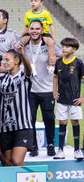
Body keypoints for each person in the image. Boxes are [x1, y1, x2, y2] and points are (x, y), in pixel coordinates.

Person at [0, 47, 33, 166]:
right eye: (3, 59)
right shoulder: (2, 77)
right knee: (7, 162)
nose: (4, 62)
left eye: (7, 60)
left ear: (17, 60)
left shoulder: (24, 76)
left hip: (22, 126)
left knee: (17, 161)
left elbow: (29, 69)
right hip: (4, 128)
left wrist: (23, 54)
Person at [24, 20, 60, 156]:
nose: (34, 31)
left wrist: (56, 59)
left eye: (37, 29)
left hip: (47, 90)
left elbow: (62, 55)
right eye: (32, 28)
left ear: (42, 30)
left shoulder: (48, 44)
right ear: (28, 30)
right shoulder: (25, 45)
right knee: (30, 118)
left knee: (49, 118)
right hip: (31, 90)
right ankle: (33, 146)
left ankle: (50, 144)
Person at [52, 37, 84, 159]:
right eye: (62, 46)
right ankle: (60, 150)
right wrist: (54, 91)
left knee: (75, 122)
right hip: (61, 99)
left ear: (74, 49)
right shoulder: (59, 62)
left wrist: (83, 98)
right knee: (62, 122)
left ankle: (77, 150)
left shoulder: (79, 62)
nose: (63, 48)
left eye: (66, 46)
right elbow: (55, 77)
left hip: (75, 100)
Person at [22, 0, 56, 66]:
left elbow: (51, 25)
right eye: (31, 1)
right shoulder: (28, 14)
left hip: (44, 33)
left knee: (51, 43)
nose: (33, 3)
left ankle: (51, 63)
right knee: (21, 42)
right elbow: (26, 26)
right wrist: (22, 36)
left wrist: (53, 36)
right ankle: (22, 62)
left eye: (35, 1)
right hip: (31, 33)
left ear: (41, 3)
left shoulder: (46, 13)